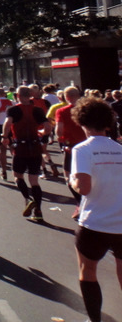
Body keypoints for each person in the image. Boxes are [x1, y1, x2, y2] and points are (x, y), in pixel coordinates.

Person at [69, 97, 122, 322]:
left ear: (82, 122)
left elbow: (84, 188)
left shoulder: (82, 149)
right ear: (107, 123)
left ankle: (95, 320)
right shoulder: (120, 148)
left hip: (95, 222)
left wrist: (72, 180)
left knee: (88, 271)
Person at [2, 86, 48, 223]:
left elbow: (7, 122)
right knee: (34, 180)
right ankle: (38, 211)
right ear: (30, 96)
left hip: (21, 147)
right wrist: (43, 135)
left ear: (17, 95)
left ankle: (28, 199)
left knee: (17, 176)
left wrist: (5, 136)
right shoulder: (37, 110)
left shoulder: (13, 110)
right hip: (35, 146)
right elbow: (48, 126)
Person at [56, 86, 88, 219]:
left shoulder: (62, 111)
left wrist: (62, 142)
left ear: (65, 97)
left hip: (72, 147)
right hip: (88, 145)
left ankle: (80, 203)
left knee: (69, 176)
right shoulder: (87, 109)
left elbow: (59, 130)